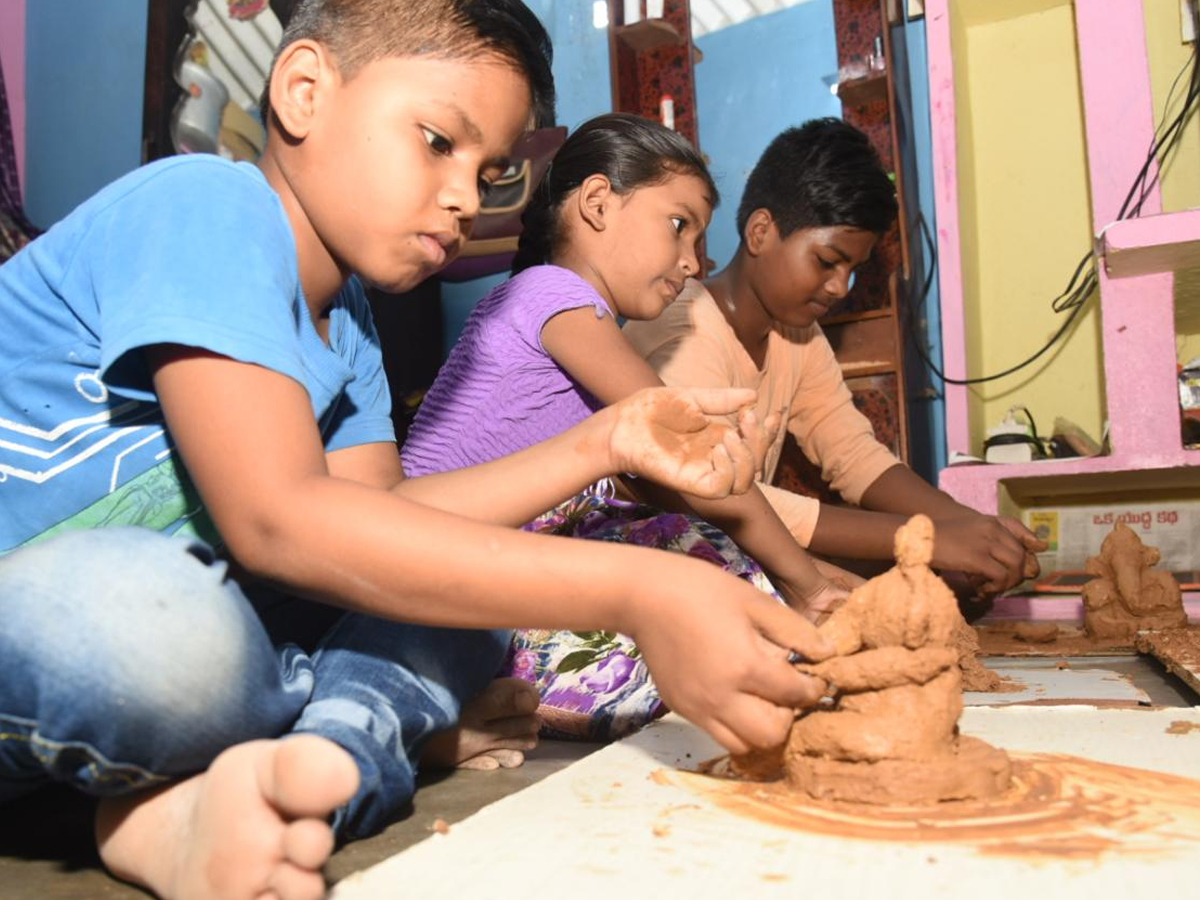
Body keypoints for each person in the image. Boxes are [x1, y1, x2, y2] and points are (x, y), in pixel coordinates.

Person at [0, 4, 832, 899]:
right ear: (305, 90)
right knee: (142, 620)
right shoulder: (205, 203)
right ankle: (335, 732)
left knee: (463, 608)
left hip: (214, 672)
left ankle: (278, 779)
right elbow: (280, 522)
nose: (468, 196)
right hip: (78, 627)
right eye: (438, 141)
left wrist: (604, 440)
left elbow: (383, 520)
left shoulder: (349, 325)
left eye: (492, 170)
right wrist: (646, 589)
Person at [402, 113, 848, 741]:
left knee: (688, 540)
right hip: (430, 581)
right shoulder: (551, 295)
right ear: (596, 203)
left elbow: (683, 490)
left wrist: (804, 579)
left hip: (496, 564)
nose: (693, 261)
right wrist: (811, 587)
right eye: (679, 226)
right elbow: (686, 446)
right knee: (706, 620)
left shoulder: (574, 317)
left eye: (699, 240)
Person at [624, 118, 1045, 595]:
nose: (840, 287)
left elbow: (851, 453)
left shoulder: (797, 333)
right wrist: (923, 537)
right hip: (655, 567)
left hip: (729, 558)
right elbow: (711, 493)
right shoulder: (686, 328)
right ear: (761, 232)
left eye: (853, 270)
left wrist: (970, 529)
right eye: (827, 261)